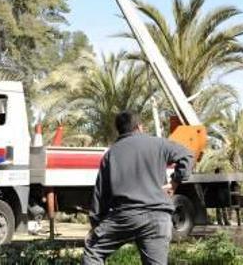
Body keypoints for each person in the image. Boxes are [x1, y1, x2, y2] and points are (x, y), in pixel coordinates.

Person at [83, 111, 194, 265]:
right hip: (158, 217)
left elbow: (100, 195)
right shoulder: (159, 143)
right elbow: (187, 155)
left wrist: (96, 225)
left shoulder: (111, 154)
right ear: (139, 127)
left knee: (93, 250)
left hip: (126, 217)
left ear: (119, 130)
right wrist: (175, 182)